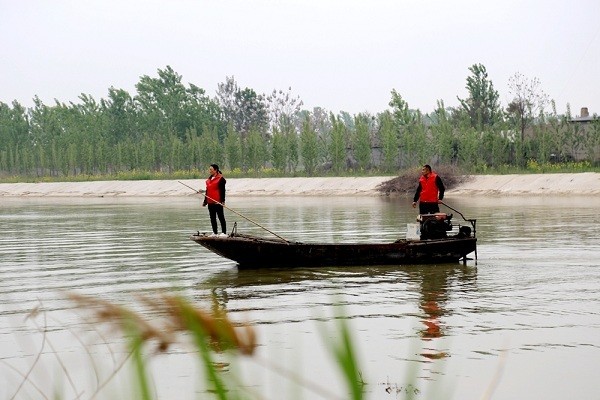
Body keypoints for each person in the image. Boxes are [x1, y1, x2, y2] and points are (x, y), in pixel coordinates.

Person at [202, 164, 227, 236]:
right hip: (210, 202)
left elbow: (223, 191)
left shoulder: (221, 179)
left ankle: (223, 233)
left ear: (215, 170)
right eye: (209, 169)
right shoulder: (209, 180)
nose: (209, 171)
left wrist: (223, 201)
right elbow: (207, 191)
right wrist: (205, 201)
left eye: (211, 169)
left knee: (221, 217)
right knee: (212, 218)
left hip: (217, 202)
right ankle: (215, 232)